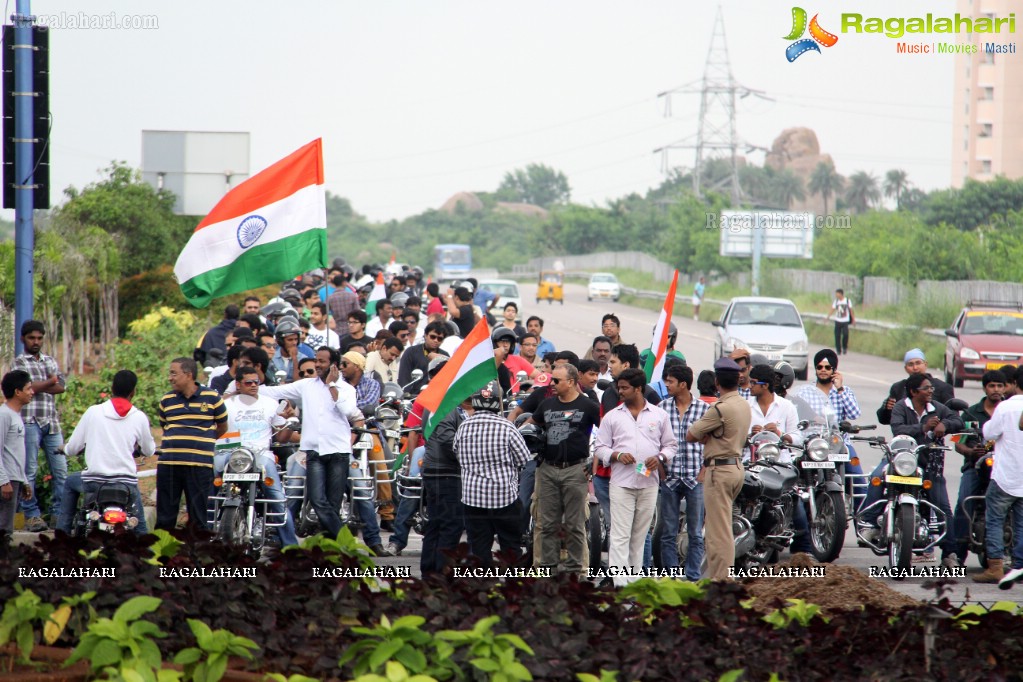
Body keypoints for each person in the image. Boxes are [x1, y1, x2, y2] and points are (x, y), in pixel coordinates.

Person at [261, 348, 379, 549]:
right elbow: (275, 391)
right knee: (317, 500)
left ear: (333, 365)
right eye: (316, 360)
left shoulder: (346, 389)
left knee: (332, 503)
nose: (317, 364)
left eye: (322, 361)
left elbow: (348, 411)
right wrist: (247, 388)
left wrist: (332, 385)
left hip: (338, 452)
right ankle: (346, 542)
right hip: (314, 452)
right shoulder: (307, 385)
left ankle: (330, 549)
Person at [861, 373, 963, 566]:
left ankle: (950, 554)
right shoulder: (901, 406)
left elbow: (957, 421)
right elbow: (897, 429)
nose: (931, 391)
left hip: (929, 463)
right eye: (926, 388)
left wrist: (945, 424)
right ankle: (871, 523)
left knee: (943, 506)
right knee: (876, 477)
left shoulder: (937, 408)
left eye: (931, 387)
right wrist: (923, 427)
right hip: (900, 459)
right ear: (914, 392)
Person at [594, 368, 676, 586]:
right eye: (618, 387)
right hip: (621, 483)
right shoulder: (613, 416)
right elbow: (599, 448)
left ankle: (635, 580)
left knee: (640, 535)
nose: (620, 392)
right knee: (620, 534)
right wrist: (617, 455)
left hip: (649, 483)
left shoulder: (659, 415)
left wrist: (659, 457)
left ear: (639, 389)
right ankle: (620, 583)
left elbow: (670, 446)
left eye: (624, 388)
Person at [58, 370, 154, 535]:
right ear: (133, 392)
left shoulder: (93, 412)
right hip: (126, 484)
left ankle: (62, 537)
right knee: (141, 530)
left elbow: (73, 448)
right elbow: (149, 450)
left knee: (69, 482)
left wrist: (64, 448)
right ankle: (146, 558)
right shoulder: (139, 417)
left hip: (94, 481)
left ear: (111, 388)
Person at [212, 366, 298, 547]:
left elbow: (281, 438)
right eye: (248, 382)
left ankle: (291, 547)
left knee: (277, 498)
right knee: (208, 488)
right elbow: (216, 430)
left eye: (256, 382)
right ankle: (202, 535)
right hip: (231, 453)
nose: (253, 386)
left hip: (261, 455)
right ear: (238, 384)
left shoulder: (270, 404)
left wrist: (290, 423)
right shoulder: (225, 404)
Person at [532, 364, 601, 575]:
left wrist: (595, 461)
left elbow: (607, 433)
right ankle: (546, 570)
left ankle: (576, 572)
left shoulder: (588, 406)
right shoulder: (546, 405)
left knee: (575, 525)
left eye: (556, 380)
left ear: (570, 382)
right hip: (547, 470)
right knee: (546, 525)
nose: (551, 384)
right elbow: (531, 426)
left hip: (575, 470)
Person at [686, 358, 751, 581]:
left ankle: (722, 581)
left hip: (720, 470)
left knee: (718, 532)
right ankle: (721, 577)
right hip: (736, 466)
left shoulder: (720, 408)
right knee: (723, 527)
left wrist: (709, 435)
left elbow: (692, 434)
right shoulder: (743, 404)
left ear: (717, 382)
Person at [454, 381, 531, 567]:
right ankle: (513, 588)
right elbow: (524, 459)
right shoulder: (507, 427)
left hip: (472, 499)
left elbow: (456, 454)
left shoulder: (464, 426)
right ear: (499, 402)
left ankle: (483, 588)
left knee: (479, 548)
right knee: (511, 547)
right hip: (505, 497)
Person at [155, 358, 228, 530]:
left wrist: (202, 444)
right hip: (169, 465)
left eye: (174, 373)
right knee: (165, 517)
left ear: (188, 375)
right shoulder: (167, 400)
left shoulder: (212, 398)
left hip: (199, 466)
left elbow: (222, 427)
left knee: (198, 518)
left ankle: (196, 555)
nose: (170, 378)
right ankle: (162, 554)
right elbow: (165, 427)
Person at [747, 364, 811, 555]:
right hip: (752, 463)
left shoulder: (786, 407)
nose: (749, 386)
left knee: (794, 503)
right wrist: (751, 433)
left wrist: (780, 434)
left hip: (780, 465)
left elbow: (798, 437)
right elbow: (737, 435)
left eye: (753, 382)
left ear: (765, 385)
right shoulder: (745, 406)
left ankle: (803, 552)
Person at [13, 320, 67, 532]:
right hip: (29, 422)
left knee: (61, 470)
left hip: (51, 422)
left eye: (39, 338)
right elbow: (24, 387)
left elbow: (61, 387)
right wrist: (48, 382)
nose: (36, 342)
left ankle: (59, 513)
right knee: (30, 471)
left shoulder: (49, 360)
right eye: (31, 338)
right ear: (23, 339)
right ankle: (32, 515)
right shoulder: (19, 363)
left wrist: (38, 386)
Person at [660, 364, 708, 579]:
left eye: (670, 381)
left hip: (694, 478)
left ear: (683, 384)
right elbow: (655, 441)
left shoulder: (704, 409)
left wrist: (705, 469)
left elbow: (712, 442)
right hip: (669, 478)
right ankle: (671, 577)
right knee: (668, 532)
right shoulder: (661, 408)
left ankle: (693, 576)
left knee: (695, 532)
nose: (666, 385)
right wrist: (661, 469)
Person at [975, 367, 1023, 586]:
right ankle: (1019, 566)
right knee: (1022, 524)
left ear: (1014, 384)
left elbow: (989, 433)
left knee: (994, 520)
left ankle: (995, 567)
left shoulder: (1006, 407)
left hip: (1006, 476)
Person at [952, 370, 1004, 565]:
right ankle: (956, 554)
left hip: (1003, 470)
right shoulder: (970, 412)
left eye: (1000, 386)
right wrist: (970, 452)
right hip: (974, 468)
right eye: (992, 386)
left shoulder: (1009, 411)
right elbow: (957, 441)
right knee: (964, 502)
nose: (996, 390)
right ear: (985, 388)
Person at [877, 348, 956, 425]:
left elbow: (954, 419)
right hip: (904, 435)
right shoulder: (898, 387)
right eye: (910, 364)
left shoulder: (943, 387)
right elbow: (885, 420)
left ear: (925, 365)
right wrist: (886, 409)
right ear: (906, 368)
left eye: (918, 363)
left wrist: (943, 425)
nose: (915, 368)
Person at [0, 371, 33, 538]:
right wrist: (3, 480)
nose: (32, 392)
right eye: (28, 388)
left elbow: (16, 453)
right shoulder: (4, 415)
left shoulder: (16, 416)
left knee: (7, 526)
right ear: (17, 391)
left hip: (15, 479)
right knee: (4, 528)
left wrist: (24, 481)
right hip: (7, 481)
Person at [600, 344, 661, 413]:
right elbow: (603, 422)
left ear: (626, 365)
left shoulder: (649, 394)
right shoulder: (608, 393)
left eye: (613, 362)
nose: (609, 366)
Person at [398, 321, 449, 394]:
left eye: (439, 339)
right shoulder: (411, 352)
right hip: (414, 397)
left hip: (436, 397)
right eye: (433, 337)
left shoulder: (445, 355)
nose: (435, 340)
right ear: (425, 335)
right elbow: (404, 378)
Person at [269, 317, 315, 383]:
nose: (294, 343)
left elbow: (298, 382)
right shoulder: (272, 357)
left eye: (296, 339)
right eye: (290, 340)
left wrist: (294, 359)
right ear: (280, 341)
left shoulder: (303, 358)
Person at [828, 289, 855, 355]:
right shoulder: (836, 301)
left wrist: (853, 319)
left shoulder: (847, 301)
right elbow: (832, 309)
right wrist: (828, 317)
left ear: (840, 294)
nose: (836, 295)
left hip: (845, 321)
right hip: (838, 320)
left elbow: (851, 310)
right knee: (837, 335)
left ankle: (844, 347)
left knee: (845, 334)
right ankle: (838, 350)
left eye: (837, 294)